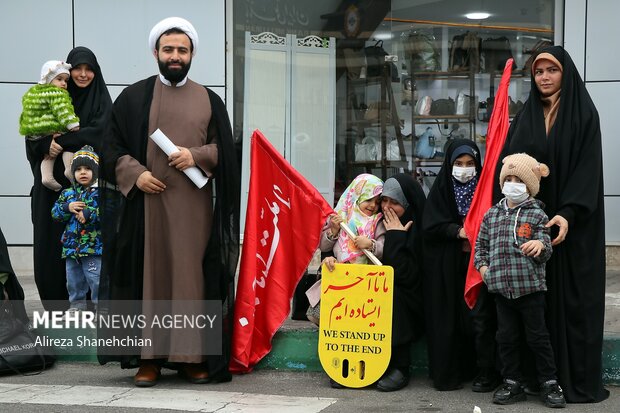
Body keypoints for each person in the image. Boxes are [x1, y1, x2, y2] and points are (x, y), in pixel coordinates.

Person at [99, 17, 240, 387]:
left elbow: (225, 150)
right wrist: (134, 173)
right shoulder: (133, 97)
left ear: (192, 54)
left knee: (190, 279)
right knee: (152, 279)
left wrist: (196, 156)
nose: (175, 56)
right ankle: (150, 359)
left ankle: (192, 357)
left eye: (182, 50)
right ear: (156, 53)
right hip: (145, 210)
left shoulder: (210, 100)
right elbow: (110, 147)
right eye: (168, 49)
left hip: (193, 212)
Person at [497, 45, 609, 402]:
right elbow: (510, 166)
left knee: (572, 301)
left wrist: (568, 212)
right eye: (538, 72)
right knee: (533, 305)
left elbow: (587, 170)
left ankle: (569, 379)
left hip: (572, 228)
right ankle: (536, 379)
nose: (544, 78)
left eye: (552, 70)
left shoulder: (584, 115)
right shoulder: (526, 115)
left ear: (566, 73)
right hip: (531, 226)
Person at [475, 153, 566, 408]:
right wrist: (483, 268)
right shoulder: (491, 215)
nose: (512, 184)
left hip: (531, 291)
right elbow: (480, 247)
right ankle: (512, 382)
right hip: (501, 292)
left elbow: (547, 246)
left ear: (530, 187)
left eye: (519, 180)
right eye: (509, 178)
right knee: (506, 338)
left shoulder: (537, 214)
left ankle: (549, 382)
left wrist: (540, 243)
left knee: (538, 337)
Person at [25, 47, 112, 312]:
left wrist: (60, 142)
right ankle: (59, 310)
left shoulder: (102, 103)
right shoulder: (53, 96)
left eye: (89, 69)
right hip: (53, 194)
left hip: (88, 192)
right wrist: (44, 147)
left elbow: (101, 135)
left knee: (91, 254)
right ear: (68, 70)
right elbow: (33, 134)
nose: (83, 74)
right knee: (50, 250)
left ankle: (91, 307)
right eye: (77, 69)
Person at [422, 139, 499, 392]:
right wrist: (456, 231)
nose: (464, 168)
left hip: (478, 266)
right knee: (448, 318)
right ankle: (450, 373)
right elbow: (430, 226)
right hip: (448, 267)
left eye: (470, 163)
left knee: (479, 319)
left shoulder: (485, 193)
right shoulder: (441, 191)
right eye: (458, 163)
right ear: (449, 164)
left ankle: (484, 372)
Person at [308, 173, 385, 325]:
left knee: (359, 321)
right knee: (334, 319)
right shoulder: (341, 216)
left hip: (367, 282)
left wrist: (370, 244)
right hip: (340, 278)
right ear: (357, 195)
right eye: (368, 199)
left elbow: (384, 246)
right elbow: (323, 246)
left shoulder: (377, 221)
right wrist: (334, 231)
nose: (372, 206)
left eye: (377, 202)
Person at [376, 173, 426, 391]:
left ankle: (400, 366)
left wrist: (396, 237)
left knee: (393, 292)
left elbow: (404, 275)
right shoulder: (375, 224)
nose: (387, 207)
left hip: (412, 300)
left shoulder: (421, 229)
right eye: (384, 200)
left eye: (394, 202)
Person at [51, 146, 101, 313]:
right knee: (73, 280)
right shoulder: (68, 194)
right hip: (71, 248)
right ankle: (76, 307)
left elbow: (109, 214)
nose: (83, 172)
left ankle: (102, 309)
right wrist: (67, 207)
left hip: (93, 247)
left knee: (96, 279)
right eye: (78, 169)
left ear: (96, 171)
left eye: (88, 168)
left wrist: (89, 213)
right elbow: (55, 214)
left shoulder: (100, 193)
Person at [20, 60, 80, 191]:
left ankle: (47, 177)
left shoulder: (33, 93)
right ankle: (70, 170)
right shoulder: (57, 93)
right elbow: (63, 111)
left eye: (66, 80)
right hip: (54, 128)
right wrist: (73, 125)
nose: (64, 84)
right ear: (48, 79)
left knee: (49, 155)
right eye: (59, 79)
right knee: (67, 145)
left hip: (37, 132)